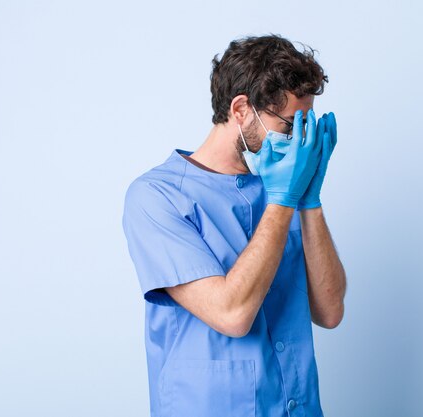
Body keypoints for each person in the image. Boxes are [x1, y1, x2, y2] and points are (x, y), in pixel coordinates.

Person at [122, 34, 347, 417]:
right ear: (241, 109)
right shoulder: (157, 197)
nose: (298, 142)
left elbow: (329, 311)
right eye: (291, 125)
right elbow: (232, 315)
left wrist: (310, 199)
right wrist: (284, 199)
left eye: (306, 127)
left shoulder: (282, 187)